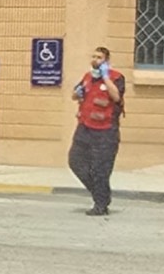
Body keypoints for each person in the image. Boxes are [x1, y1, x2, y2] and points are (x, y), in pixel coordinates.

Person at [68, 46, 125, 216]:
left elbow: (116, 97)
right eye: (93, 56)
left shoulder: (116, 78)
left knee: (101, 170)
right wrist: (77, 93)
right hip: (84, 129)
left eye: (99, 57)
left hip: (105, 132)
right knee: (75, 162)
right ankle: (101, 195)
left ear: (106, 61)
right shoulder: (87, 78)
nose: (95, 60)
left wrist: (105, 77)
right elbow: (74, 95)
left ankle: (101, 204)